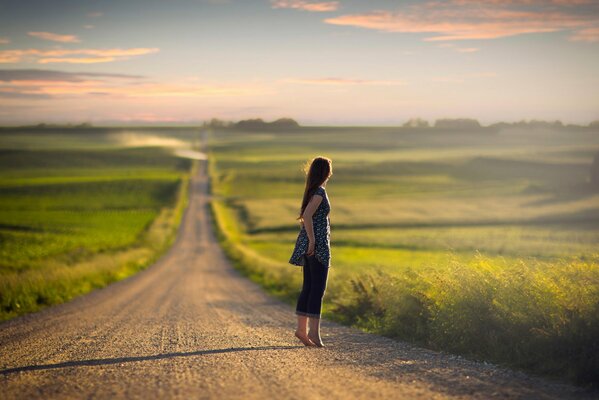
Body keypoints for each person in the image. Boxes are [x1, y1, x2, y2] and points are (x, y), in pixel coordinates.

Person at [288, 156, 332, 347]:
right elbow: (306, 216)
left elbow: (306, 216)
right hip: (318, 245)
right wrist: (313, 241)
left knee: (308, 287)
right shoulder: (319, 193)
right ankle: (313, 333)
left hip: (309, 243)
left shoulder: (312, 191)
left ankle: (302, 329)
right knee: (317, 289)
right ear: (326, 172)